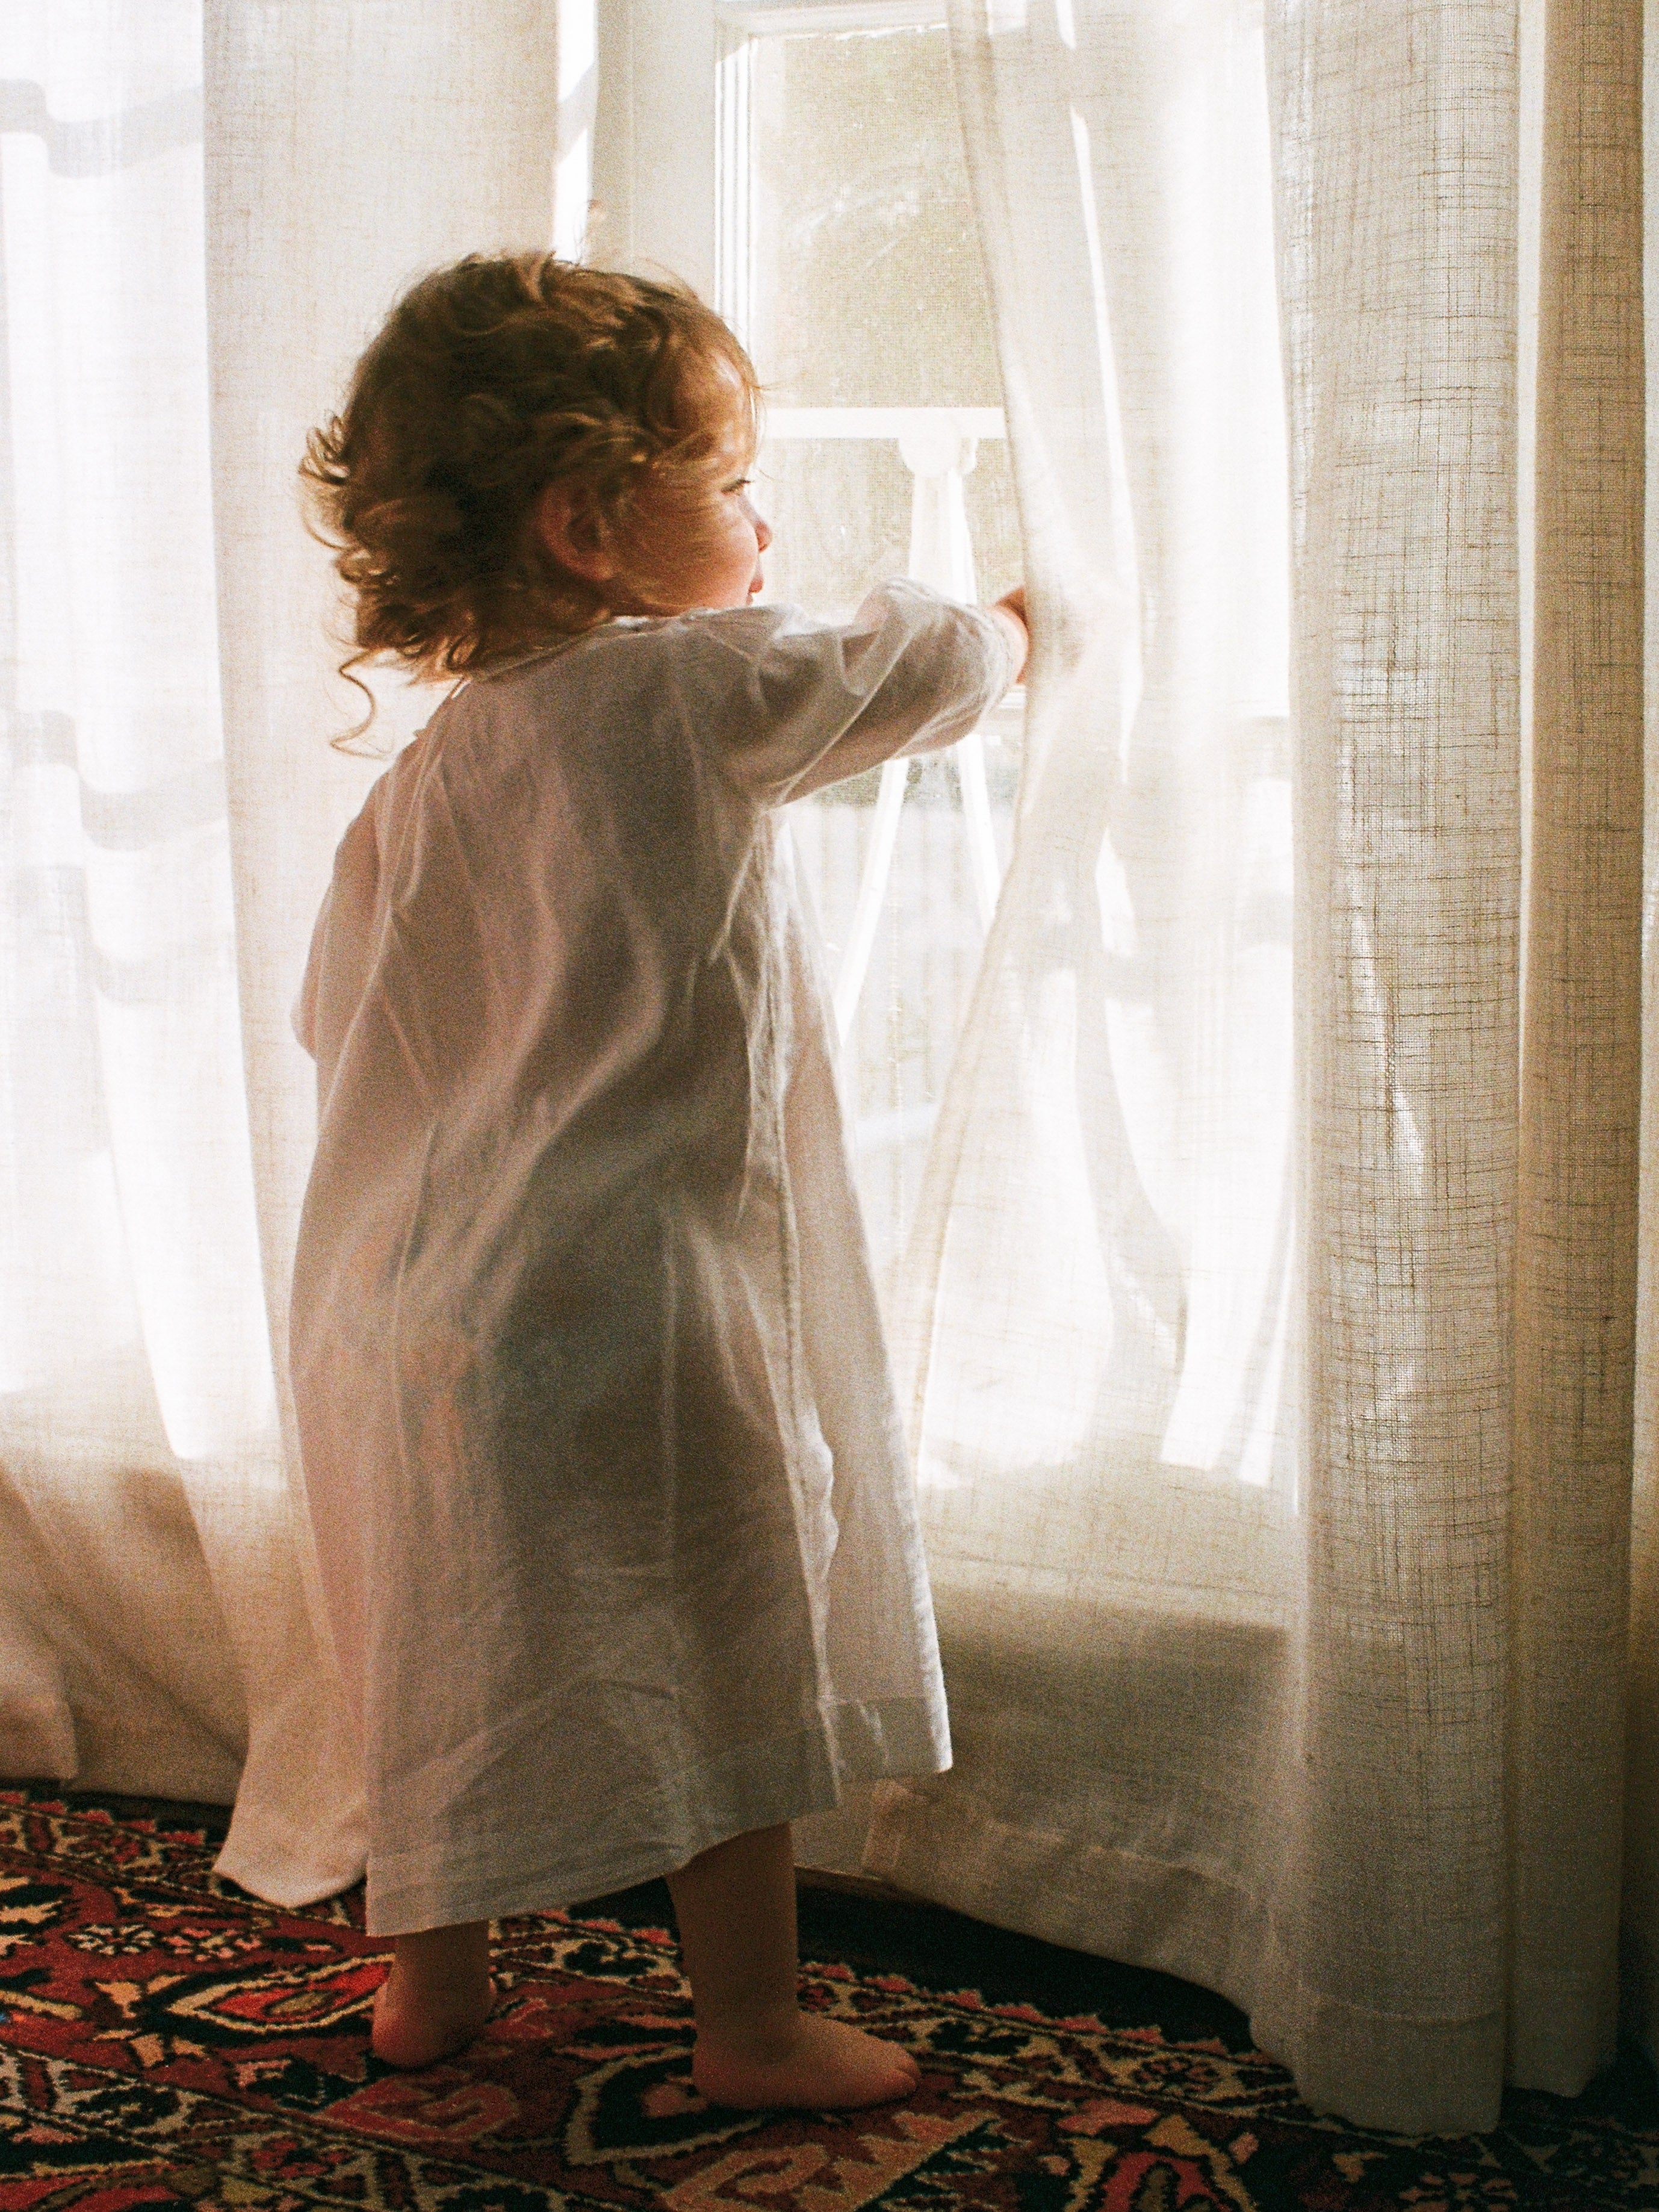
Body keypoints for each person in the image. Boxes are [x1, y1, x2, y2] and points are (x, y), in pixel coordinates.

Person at [290, 252, 1029, 2111]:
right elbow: (911, 669)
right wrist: (1034, 619)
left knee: (440, 1642)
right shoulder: (685, 688)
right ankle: (751, 2023)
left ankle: (427, 1991)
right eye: (729, 479)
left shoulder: (429, 772)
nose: (764, 515)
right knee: (714, 1631)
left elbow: (332, 1020)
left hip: (402, 1296)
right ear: (593, 523)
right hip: (623, 1288)